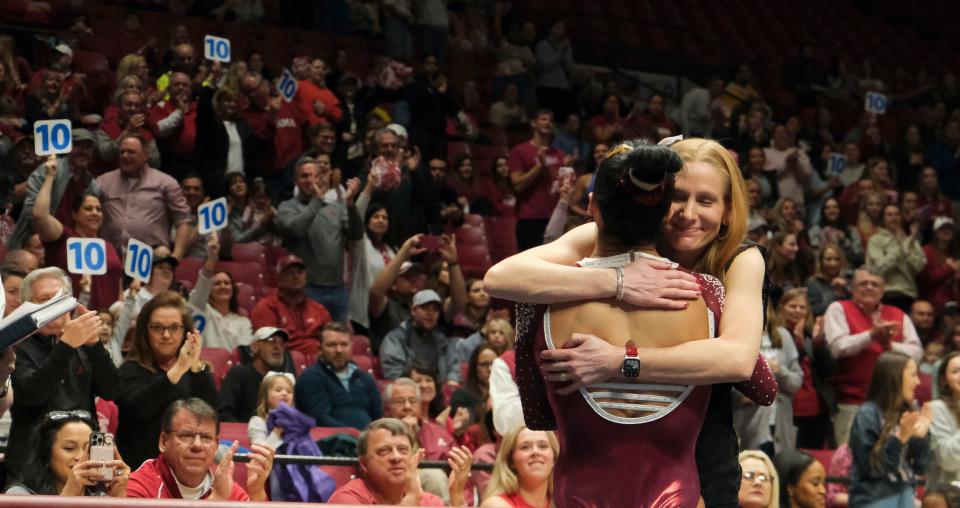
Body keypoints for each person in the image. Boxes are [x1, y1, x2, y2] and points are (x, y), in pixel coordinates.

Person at [483, 138, 774, 506]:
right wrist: (618, 281)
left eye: (705, 200)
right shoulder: (606, 236)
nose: (687, 213)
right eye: (679, 197)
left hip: (700, 457)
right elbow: (499, 278)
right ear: (658, 197)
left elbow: (738, 361)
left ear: (728, 211)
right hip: (642, 470)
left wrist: (620, 361)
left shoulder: (740, 260)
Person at [7, 268, 118, 480]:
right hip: (31, 466)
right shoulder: (14, 347)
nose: (52, 306)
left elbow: (112, 390)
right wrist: (66, 345)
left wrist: (94, 346)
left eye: (58, 298)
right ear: (26, 307)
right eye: (44, 299)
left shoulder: (86, 344)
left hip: (83, 463)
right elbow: (31, 394)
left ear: (70, 303)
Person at [115, 292, 219, 470]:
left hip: (187, 473)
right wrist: (178, 368)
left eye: (174, 327)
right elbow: (139, 407)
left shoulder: (197, 373)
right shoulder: (130, 370)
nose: (166, 335)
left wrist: (194, 365)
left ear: (185, 331)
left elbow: (212, 415)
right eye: (157, 327)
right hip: (139, 472)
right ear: (144, 331)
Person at [824, 266, 923, 445]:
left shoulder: (898, 314)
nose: (869, 287)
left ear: (883, 290)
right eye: (863, 283)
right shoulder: (839, 308)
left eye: (875, 284)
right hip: (852, 403)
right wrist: (871, 335)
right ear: (853, 288)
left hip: (894, 404)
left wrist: (889, 345)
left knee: (892, 457)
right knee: (850, 460)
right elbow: (838, 348)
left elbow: (916, 354)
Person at [126, 398, 275, 500]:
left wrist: (256, 493)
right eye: (186, 435)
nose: (197, 445)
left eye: (206, 437)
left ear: (216, 445)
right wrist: (217, 501)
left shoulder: (224, 486)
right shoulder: (139, 486)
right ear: (164, 441)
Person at [276, 156, 362, 322]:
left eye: (314, 175)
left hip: (337, 289)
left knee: (340, 343)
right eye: (304, 176)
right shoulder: (287, 207)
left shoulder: (335, 207)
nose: (310, 181)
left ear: (321, 178)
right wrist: (317, 200)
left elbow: (356, 234)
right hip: (305, 290)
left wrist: (351, 205)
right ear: (296, 180)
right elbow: (296, 229)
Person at [32, 156, 120, 309]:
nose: (95, 213)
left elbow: (118, 287)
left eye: (99, 209)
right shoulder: (63, 237)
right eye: (88, 208)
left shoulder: (108, 246)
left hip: (106, 325)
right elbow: (40, 215)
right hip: (68, 318)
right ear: (74, 214)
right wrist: (49, 177)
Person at [849, 351, 931, 506]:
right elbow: (872, 469)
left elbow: (921, 466)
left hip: (906, 494)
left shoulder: (908, 412)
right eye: (913, 375)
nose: (918, 382)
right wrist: (900, 439)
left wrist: (924, 433)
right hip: (875, 498)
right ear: (895, 377)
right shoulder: (868, 414)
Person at [328, 418, 473, 506]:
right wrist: (411, 500)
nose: (396, 457)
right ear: (364, 464)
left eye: (403, 449)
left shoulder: (430, 502)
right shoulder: (347, 500)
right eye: (384, 451)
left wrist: (457, 497)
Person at [96, 135, 194, 258]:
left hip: (151, 261)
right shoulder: (103, 181)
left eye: (131, 152)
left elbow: (183, 221)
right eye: (122, 152)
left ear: (145, 156)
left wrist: (177, 255)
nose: (125, 156)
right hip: (111, 259)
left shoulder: (165, 182)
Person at [735, 292, 803, 456]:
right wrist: (741, 394)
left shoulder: (782, 335)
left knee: (781, 471)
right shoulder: (736, 337)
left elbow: (796, 382)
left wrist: (781, 370)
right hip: (747, 421)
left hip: (780, 420)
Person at [6, 128, 98, 250]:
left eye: (88, 147)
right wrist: (44, 234)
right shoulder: (48, 170)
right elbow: (31, 212)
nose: (84, 151)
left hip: (69, 245)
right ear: (68, 148)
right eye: (79, 146)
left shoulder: (91, 183)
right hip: (36, 241)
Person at [5, 410, 131, 496]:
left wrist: (118, 496)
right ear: (46, 455)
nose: (81, 457)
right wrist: (69, 496)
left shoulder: (99, 497)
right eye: (69, 448)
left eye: (88, 449)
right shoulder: (19, 495)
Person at [295, 322, 383, 429]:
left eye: (344, 344)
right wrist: (354, 434)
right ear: (319, 349)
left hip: (367, 440)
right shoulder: (310, 378)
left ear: (351, 347)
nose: (339, 350)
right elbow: (319, 419)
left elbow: (378, 416)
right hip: (333, 441)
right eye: (332, 345)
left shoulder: (365, 378)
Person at [508, 109, 571, 251]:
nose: (547, 122)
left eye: (550, 120)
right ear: (533, 123)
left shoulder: (559, 155)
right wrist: (538, 166)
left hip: (555, 219)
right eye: (543, 119)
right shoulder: (520, 151)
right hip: (530, 218)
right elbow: (517, 185)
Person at [249, 254, 332, 356]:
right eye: (289, 273)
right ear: (279, 279)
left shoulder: (319, 309)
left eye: (299, 272)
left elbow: (332, 341)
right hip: (283, 364)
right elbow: (269, 345)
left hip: (319, 363)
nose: (296, 276)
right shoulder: (266, 307)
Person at [186, 234, 252, 350]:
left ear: (233, 289)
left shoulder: (243, 322)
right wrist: (212, 258)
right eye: (217, 284)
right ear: (209, 291)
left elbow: (243, 354)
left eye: (226, 283)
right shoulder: (202, 310)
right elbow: (203, 285)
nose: (223, 286)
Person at [380, 289, 460, 383]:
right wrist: (417, 382)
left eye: (435, 310)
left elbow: (454, 366)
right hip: (409, 389)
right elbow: (393, 372)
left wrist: (452, 380)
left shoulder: (441, 340)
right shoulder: (396, 338)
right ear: (413, 311)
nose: (430, 314)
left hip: (436, 389)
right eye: (425, 308)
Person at [218, 327, 294, 423]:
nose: (278, 347)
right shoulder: (238, 374)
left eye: (281, 343)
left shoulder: (286, 378)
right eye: (270, 341)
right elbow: (223, 413)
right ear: (255, 347)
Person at [865, 204, 926, 312]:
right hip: (885, 294)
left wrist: (906, 243)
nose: (894, 218)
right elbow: (879, 268)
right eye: (889, 215)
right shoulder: (875, 240)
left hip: (908, 294)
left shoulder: (910, 241)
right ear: (883, 219)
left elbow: (918, 267)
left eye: (897, 214)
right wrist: (900, 249)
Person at [480, 425, 558, 507]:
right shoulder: (496, 505)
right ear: (511, 461)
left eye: (543, 446)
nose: (535, 452)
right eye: (525, 447)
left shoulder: (563, 502)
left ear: (554, 459)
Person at [926, 351, 960, 491]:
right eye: (956, 371)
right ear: (944, 379)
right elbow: (948, 460)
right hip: (948, 494)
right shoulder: (937, 408)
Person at [248, 372, 295, 448]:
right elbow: (259, 453)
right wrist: (278, 431)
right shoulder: (258, 422)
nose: (284, 393)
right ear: (265, 396)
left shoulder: (296, 423)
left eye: (289, 391)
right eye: (278, 390)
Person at [805, 243, 850, 317]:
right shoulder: (813, 283)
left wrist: (846, 289)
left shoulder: (848, 281)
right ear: (821, 261)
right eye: (828, 259)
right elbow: (815, 310)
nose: (833, 263)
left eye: (837, 259)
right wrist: (836, 295)